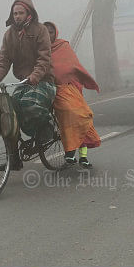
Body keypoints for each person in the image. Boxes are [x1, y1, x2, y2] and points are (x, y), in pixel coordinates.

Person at [0, 0, 56, 171]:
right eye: (14, 13)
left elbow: (44, 58)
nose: (17, 16)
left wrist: (35, 76)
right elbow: (4, 60)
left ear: (29, 13)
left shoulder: (40, 30)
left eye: (20, 13)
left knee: (29, 104)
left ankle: (46, 128)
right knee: (7, 115)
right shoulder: (9, 34)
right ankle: (14, 159)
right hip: (24, 83)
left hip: (43, 82)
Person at [43, 21, 101, 169]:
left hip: (71, 88)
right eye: (44, 32)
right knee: (71, 116)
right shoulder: (39, 50)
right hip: (53, 90)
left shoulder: (63, 46)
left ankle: (83, 157)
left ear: (55, 33)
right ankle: (70, 153)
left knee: (85, 117)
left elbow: (72, 66)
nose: (48, 35)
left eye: (50, 32)